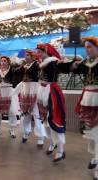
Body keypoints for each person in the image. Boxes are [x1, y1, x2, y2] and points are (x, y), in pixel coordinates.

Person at [61, 36, 98, 179]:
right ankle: (95, 157)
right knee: (92, 134)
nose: (86, 50)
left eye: (89, 47)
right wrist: (72, 65)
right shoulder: (84, 63)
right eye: (86, 47)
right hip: (88, 100)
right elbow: (66, 68)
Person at [36, 43, 66, 162]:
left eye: (40, 52)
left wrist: (71, 62)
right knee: (45, 119)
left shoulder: (53, 62)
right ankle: (53, 143)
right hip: (42, 91)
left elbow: (63, 67)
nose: (38, 54)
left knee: (55, 119)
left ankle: (61, 150)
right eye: (37, 52)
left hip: (52, 92)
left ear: (46, 52)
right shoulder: (41, 64)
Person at [14, 50, 47, 147]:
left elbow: (43, 70)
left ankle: (41, 136)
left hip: (34, 90)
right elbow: (14, 71)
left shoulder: (37, 64)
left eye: (28, 55)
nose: (26, 57)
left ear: (33, 56)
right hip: (25, 91)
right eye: (25, 55)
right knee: (25, 114)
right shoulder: (24, 67)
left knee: (36, 114)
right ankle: (26, 132)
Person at [0, 56, 21, 139]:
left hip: (9, 91)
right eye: (1, 61)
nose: (3, 62)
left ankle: (12, 129)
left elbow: (18, 75)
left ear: (8, 62)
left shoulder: (12, 70)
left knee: (12, 111)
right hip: (0, 91)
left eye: (4, 61)